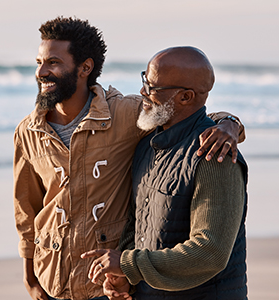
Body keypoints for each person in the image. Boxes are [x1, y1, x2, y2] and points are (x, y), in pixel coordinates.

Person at [14, 17, 245, 300]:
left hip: (104, 286)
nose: (42, 71)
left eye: (53, 62)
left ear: (85, 67)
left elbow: (191, 115)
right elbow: (27, 209)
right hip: (54, 281)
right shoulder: (28, 131)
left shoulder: (128, 116)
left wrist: (229, 124)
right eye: (39, 62)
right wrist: (30, 278)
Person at [81, 46, 248, 300]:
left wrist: (128, 264)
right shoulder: (147, 146)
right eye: (144, 81)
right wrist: (125, 279)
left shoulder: (215, 157)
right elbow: (136, 227)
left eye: (152, 88)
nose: (142, 92)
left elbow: (210, 252)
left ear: (186, 97)